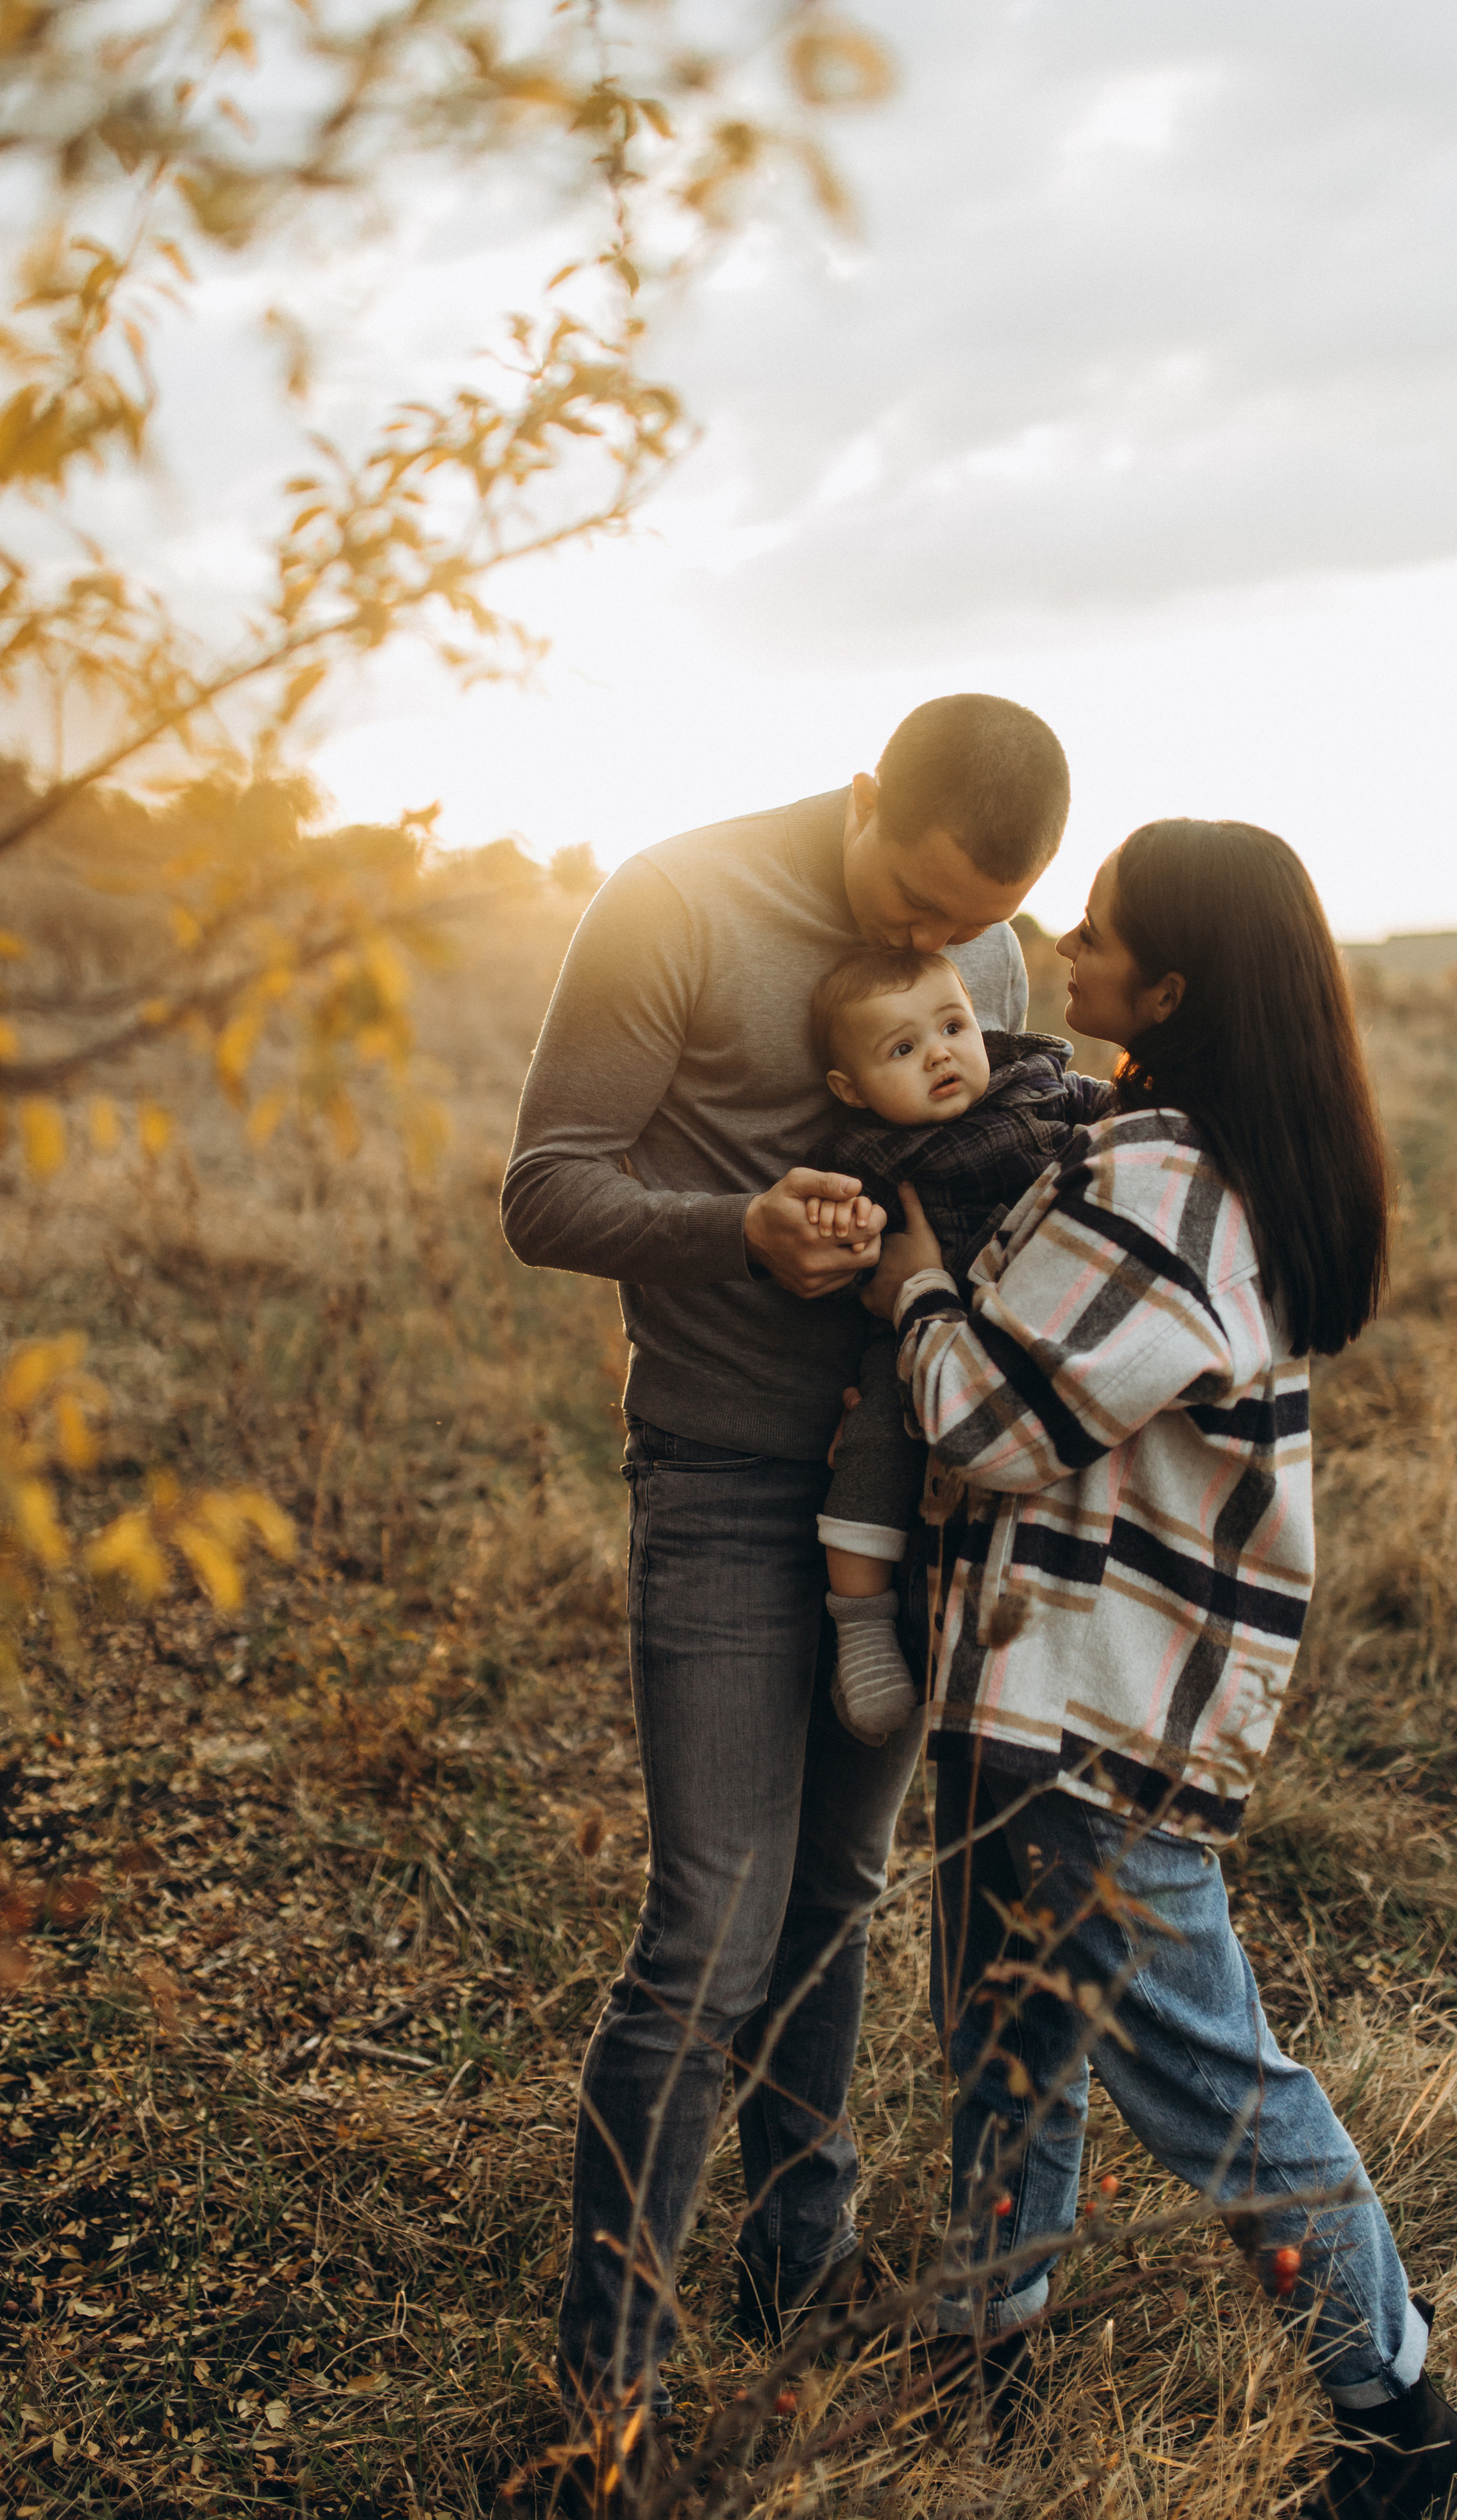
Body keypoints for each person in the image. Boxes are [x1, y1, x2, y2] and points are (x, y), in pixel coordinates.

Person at [863, 820, 1457, 2520]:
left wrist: (912, 1270)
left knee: (1210, 2077)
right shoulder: (1196, 1152)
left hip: (1087, 1703)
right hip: (1048, 1686)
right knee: (1008, 2039)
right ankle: (983, 2347)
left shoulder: (1164, 1184)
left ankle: (1397, 2424)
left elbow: (986, 1421)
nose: (1064, 941)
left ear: (1171, 985)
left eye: (1102, 929)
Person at [498, 694, 1070, 2499]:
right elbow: (544, 1191)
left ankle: (796, 2262)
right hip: (730, 1480)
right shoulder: (673, 904)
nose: (936, 949)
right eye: (913, 904)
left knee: (840, 1893)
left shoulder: (991, 940)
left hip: (915, 1498)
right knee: (713, 1932)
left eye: (973, 927)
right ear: (859, 797)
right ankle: (610, 2380)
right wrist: (733, 1227)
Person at [801, 945, 1117, 1743]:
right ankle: (862, 1620)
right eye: (902, 1050)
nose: (940, 1053)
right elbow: (841, 1233)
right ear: (852, 1089)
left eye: (952, 1026)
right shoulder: (865, 1155)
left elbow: (1125, 1115)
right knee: (873, 1442)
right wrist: (853, 1225)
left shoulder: (1038, 1088)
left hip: (1031, 1329)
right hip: (911, 1344)